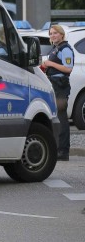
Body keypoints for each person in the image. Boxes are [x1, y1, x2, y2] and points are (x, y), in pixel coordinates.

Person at [41, 24, 75, 161]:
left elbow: (68, 68)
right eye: (51, 33)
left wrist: (50, 64)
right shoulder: (55, 49)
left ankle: (63, 151)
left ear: (61, 35)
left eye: (55, 33)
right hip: (53, 85)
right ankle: (57, 148)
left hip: (60, 87)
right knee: (55, 117)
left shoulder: (65, 49)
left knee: (61, 118)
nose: (52, 35)